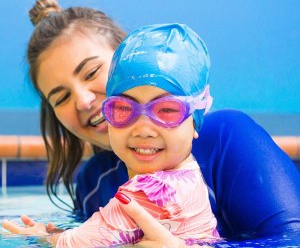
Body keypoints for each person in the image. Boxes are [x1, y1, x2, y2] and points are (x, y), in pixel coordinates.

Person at [2, 0, 300, 244]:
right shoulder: (91, 183)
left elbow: (292, 238)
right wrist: (57, 237)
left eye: (92, 73)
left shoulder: (228, 138)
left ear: (127, 59)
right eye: (61, 97)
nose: (82, 101)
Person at [3, 23, 221, 247]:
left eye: (166, 110)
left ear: (195, 120)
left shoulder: (148, 190)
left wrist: (45, 238)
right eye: (124, 109)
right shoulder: (94, 181)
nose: (143, 129)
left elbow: (77, 244)